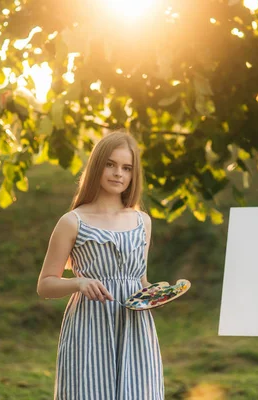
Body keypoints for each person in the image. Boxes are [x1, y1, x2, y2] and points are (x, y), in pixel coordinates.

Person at [36, 131, 164, 400]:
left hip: (135, 329)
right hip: (89, 327)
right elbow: (45, 284)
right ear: (97, 166)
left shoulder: (142, 222)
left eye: (126, 168)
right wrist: (79, 283)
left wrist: (158, 293)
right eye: (110, 164)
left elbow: (140, 281)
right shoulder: (72, 222)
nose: (119, 173)